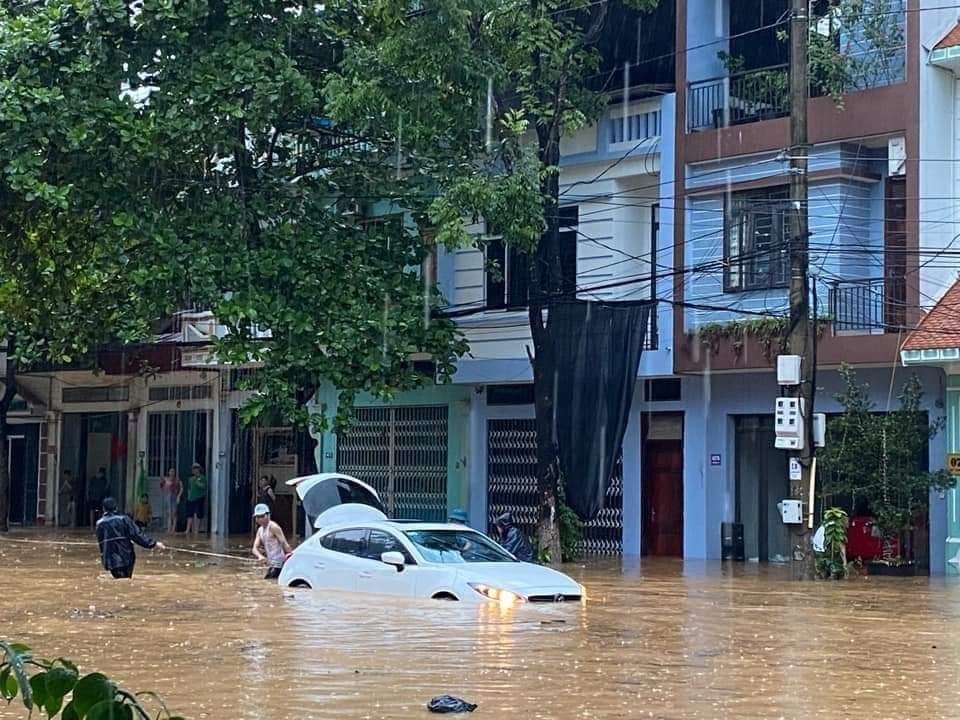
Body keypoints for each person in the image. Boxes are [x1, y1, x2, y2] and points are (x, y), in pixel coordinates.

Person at [95, 497, 165, 579]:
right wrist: (154, 543)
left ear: (104, 509)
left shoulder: (99, 523)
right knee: (126, 580)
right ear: (116, 508)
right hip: (126, 558)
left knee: (119, 580)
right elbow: (137, 535)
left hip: (110, 561)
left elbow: (101, 545)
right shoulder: (124, 519)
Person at [251, 503, 292, 580]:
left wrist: (291, 557)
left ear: (268, 515)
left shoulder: (274, 527)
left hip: (279, 564)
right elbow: (254, 548)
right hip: (271, 564)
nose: (260, 519)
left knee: (270, 581)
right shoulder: (260, 530)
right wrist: (260, 556)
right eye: (258, 517)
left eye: (262, 516)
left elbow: (284, 543)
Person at [184, 463, 207, 536]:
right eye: (193, 469)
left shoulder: (202, 477)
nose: (194, 470)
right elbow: (189, 489)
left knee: (198, 514)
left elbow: (204, 486)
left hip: (199, 497)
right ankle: (187, 530)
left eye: (195, 468)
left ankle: (196, 530)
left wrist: (198, 483)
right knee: (190, 514)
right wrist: (188, 496)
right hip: (191, 498)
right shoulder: (190, 479)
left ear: (198, 469)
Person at [160, 467, 183, 533]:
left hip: (174, 496)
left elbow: (181, 488)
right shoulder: (166, 479)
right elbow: (162, 487)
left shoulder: (177, 480)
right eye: (171, 471)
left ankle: (173, 528)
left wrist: (178, 496)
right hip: (168, 496)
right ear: (169, 472)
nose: (172, 473)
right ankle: (169, 528)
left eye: (173, 471)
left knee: (174, 513)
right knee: (169, 513)